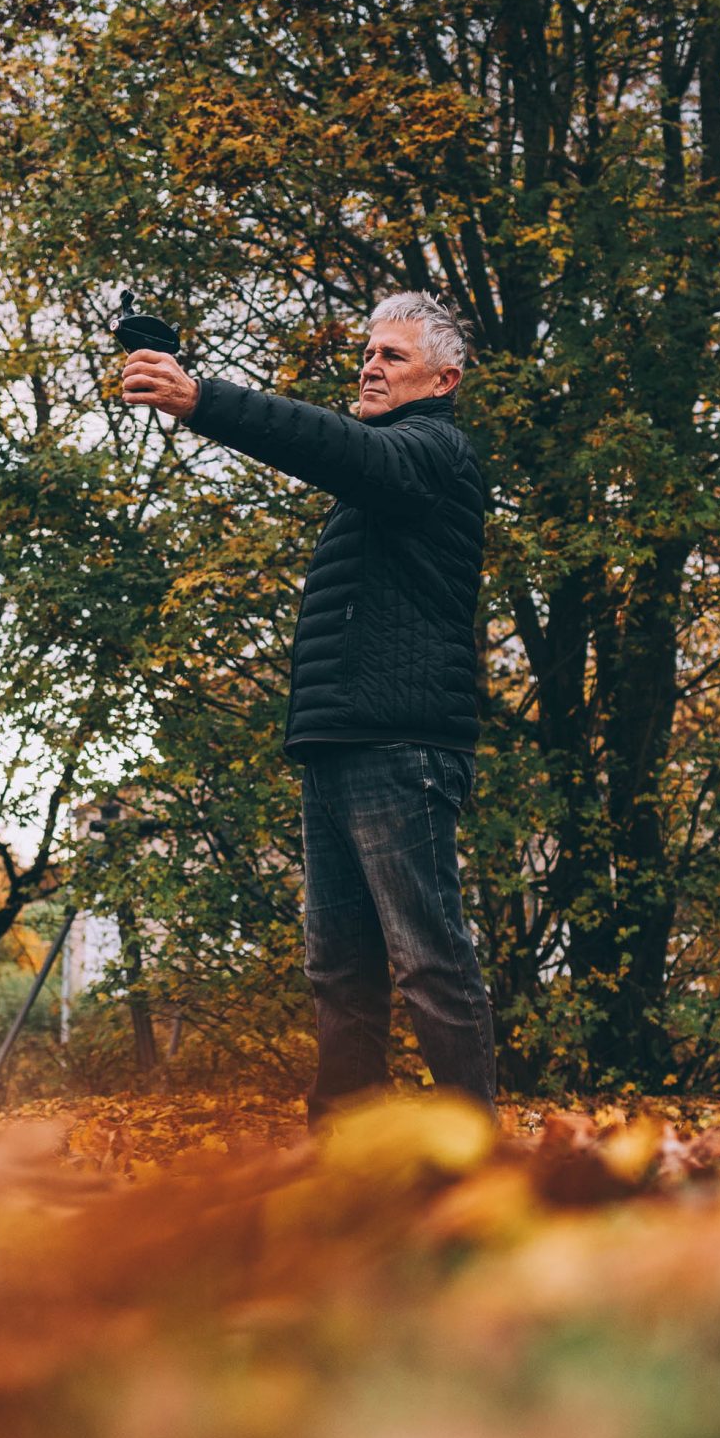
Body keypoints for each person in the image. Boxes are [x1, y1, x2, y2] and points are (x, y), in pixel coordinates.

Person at [120, 291, 497, 1125]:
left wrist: (202, 399)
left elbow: (340, 451)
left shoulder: (436, 454)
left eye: (393, 356)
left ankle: (481, 1155)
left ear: (444, 379)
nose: (370, 365)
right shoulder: (384, 470)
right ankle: (349, 1159)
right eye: (368, 353)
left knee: (428, 964)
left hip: (402, 747)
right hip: (336, 742)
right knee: (338, 970)